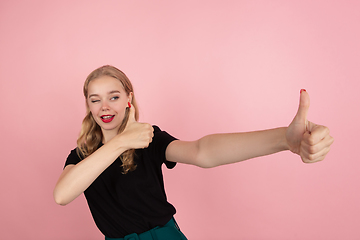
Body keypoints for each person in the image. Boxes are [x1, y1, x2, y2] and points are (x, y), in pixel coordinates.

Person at [53, 65, 334, 240]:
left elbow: (202, 152)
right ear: (88, 106)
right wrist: (120, 142)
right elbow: (62, 195)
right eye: (95, 100)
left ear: (128, 98)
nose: (104, 106)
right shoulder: (80, 156)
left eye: (113, 96)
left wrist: (283, 140)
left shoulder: (149, 140)